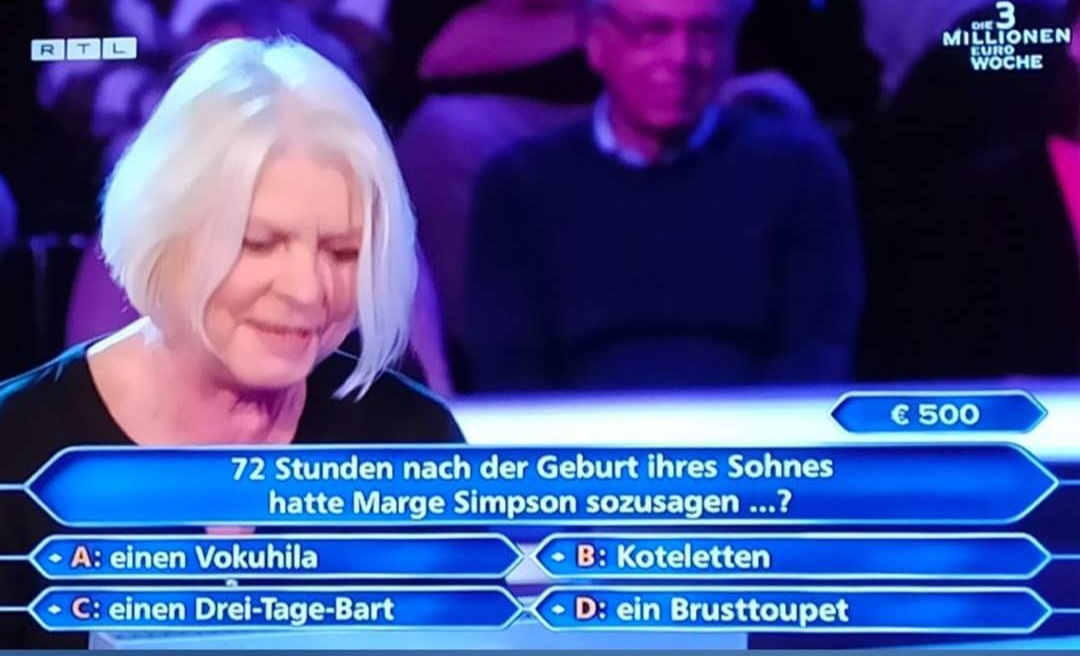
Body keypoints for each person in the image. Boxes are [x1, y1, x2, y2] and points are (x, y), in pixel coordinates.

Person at [0, 38, 464, 648]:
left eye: (342, 252)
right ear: (168, 230)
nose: (307, 290)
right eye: (259, 244)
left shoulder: (408, 441)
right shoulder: (17, 449)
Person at [467, 0, 864, 392]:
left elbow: (817, 353)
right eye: (652, 31)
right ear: (596, 42)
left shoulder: (801, 170)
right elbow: (511, 372)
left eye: (705, 34)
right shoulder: (520, 185)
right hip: (578, 432)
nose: (681, 57)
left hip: (761, 429)